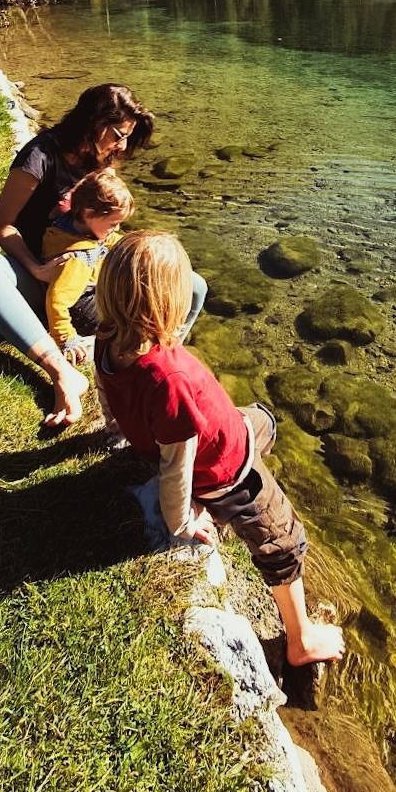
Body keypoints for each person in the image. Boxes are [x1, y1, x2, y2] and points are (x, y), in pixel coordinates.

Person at [94, 230, 345, 667]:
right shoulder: (168, 380)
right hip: (226, 472)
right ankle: (300, 641)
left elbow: (106, 394)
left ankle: (249, 448)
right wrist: (182, 521)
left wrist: (117, 429)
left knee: (264, 417)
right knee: (281, 543)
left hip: (230, 430)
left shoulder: (107, 340)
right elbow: (177, 467)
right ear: (169, 304)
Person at [0, 83, 207, 429]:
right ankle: (62, 374)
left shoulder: (103, 157)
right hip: (43, 277)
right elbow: (1, 225)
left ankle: (158, 366)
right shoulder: (39, 157)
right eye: (118, 135)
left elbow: (103, 227)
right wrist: (36, 268)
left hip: (91, 276)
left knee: (192, 285)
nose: (122, 146)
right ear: (94, 123)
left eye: (127, 138)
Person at [42, 168, 134, 371]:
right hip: (83, 310)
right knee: (129, 314)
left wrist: (132, 245)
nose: (116, 229)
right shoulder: (77, 259)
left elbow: (109, 239)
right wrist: (66, 337)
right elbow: (56, 300)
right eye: (113, 224)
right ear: (89, 214)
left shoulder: (71, 225)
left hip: (87, 290)